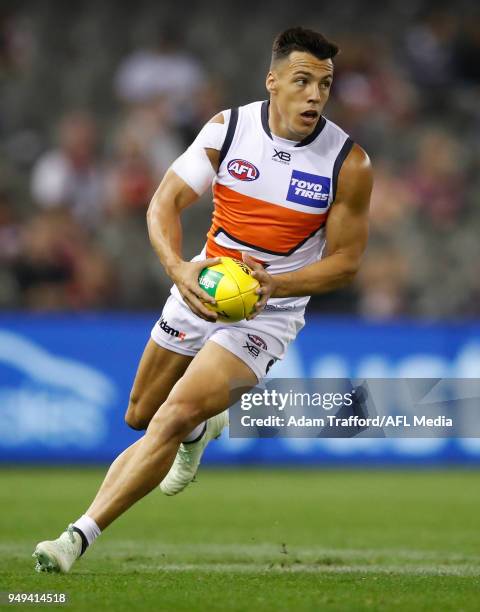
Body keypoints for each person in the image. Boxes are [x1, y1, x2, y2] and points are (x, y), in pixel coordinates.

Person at [33, 26, 372, 574]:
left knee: (171, 414)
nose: (314, 95)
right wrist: (180, 269)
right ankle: (202, 429)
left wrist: (276, 286)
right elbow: (164, 202)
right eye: (302, 81)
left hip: (269, 312)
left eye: (325, 84)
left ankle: (76, 537)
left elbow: (347, 263)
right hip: (204, 285)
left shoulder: (347, 164)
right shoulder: (229, 128)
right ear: (273, 81)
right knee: (140, 413)